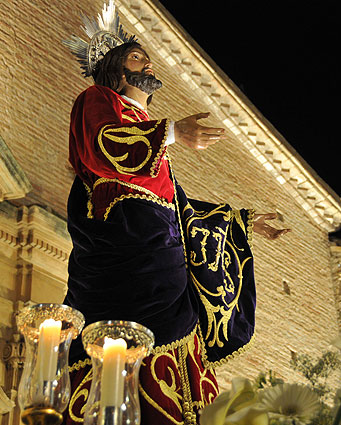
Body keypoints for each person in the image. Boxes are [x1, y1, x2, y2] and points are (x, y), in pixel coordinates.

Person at [61, 4, 288, 424]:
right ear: (114, 68)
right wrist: (172, 132)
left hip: (164, 260)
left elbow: (174, 205)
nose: (147, 63)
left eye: (147, 57)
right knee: (127, 341)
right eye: (136, 57)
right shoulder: (97, 100)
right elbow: (101, 146)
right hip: (124, 251)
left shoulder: (150, 133)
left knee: (179, 339)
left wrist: (240, 221)